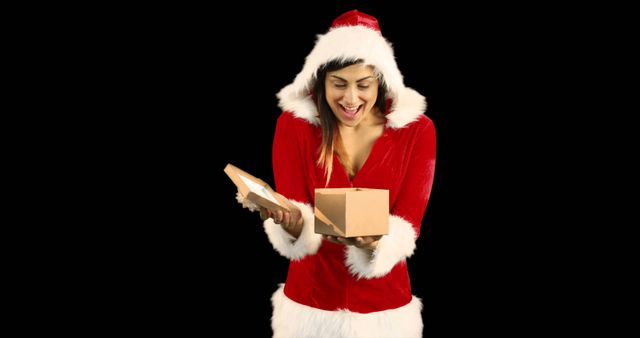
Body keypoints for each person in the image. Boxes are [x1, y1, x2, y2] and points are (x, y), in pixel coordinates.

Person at [236, 9, 436, 337]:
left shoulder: (417, 131)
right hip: (310, 304)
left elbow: (408, 222)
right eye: (339, 84)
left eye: (363, 85)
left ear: (380, 81)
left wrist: (373, 244)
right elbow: (296, 207)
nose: (351, 98)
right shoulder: (295, 126)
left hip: (384, 306)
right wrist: (289, 220)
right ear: (321, 81)